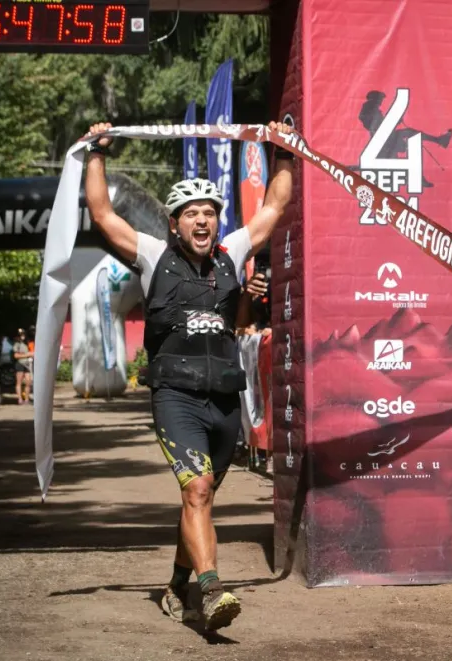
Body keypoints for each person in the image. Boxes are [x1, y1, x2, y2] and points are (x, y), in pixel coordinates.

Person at [84, 120, 294, 630]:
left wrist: (282, 154)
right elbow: (103, 214)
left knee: (198, 496)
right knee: (197, 489)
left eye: (209, 213)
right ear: (174, 223)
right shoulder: (154, 256)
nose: (202, 221)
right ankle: (211, 591)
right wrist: (97, 152)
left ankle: (177, 582)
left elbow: (274, 206)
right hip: (175, 396)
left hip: (223, 399)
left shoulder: (233, 253)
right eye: (191, 214)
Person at [13, 329, 33, 404]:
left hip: (27, 364)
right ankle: (20, 399)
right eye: (21, 335)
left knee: (28, 382)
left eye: (23, 334)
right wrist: (27, 355)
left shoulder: (28, 343)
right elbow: (16, 355)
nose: (23, 336)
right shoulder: (17, 344)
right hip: (20, 363)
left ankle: (26, 399)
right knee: (19, 382)